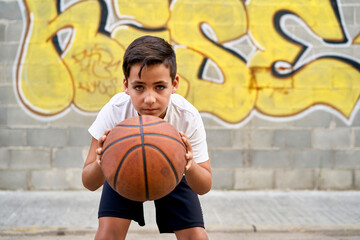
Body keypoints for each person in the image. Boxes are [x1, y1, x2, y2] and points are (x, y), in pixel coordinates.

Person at [82, 35, 212, 240]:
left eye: (160, 87)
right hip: (123, 167)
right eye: (139, 87)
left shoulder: (186, 116)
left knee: (196, 236)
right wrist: (101, 161)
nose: (149, 99)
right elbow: (89, 182)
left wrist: (190, 164)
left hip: (173, 170)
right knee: (107, 234)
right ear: (126, 85)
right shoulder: (115, 111)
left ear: (174, 84)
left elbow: (204, 186)